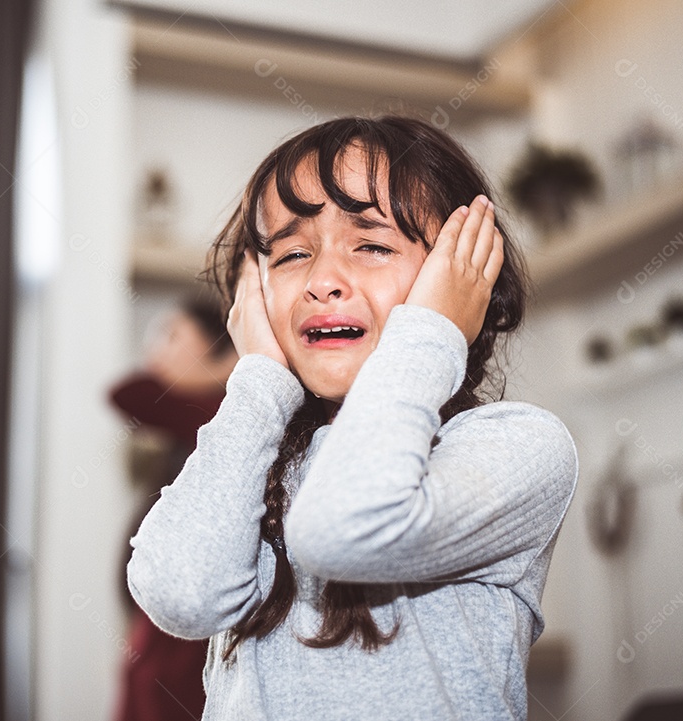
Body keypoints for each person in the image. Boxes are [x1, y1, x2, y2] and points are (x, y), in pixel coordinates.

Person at [127, 116, 579, 720]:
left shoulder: (518, 446)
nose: (322, 281)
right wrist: (259, 377)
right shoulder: (255, 466)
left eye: (371, 244)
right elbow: (180, 594)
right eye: (290, 254)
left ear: (464, 280)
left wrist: (431, 331)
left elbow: (344, 527)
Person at [108, 298, 237, 721]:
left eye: (172, 335)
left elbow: (127, 393)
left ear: (217, 345)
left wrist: (237, 361)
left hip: (186, 645)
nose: (154, 351)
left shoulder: (223, 413)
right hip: (162, 632)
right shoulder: (196, 415)